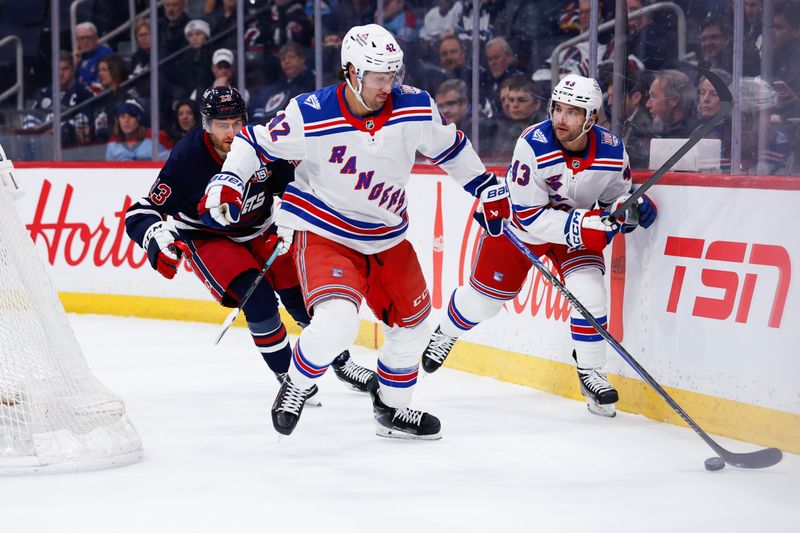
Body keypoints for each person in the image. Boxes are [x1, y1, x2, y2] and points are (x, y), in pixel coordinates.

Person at [199, 24, 505, 439]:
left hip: (388, 237)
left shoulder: (414, 107)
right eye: (379, 77)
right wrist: (228, 182)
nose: (389, 85)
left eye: (393, 75)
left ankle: (392, 410)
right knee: (338, 321)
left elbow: (451, 148)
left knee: (413, 326)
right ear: (352, 72)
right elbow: (252, 143)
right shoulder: (309, 112)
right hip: (325, 232)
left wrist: (486, 187)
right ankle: (298, 384)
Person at [421, 74, 658, 418]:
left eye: (572, 112)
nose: (560, 118)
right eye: (557, 109)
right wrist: (585, 226)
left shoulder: (611, 149)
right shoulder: (533, 143)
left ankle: (590, 371)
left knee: (590, 294)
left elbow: (613, 198)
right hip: (522, 231)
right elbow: (528, 214)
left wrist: (628, 207)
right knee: (484, 303)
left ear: (591, 118)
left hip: (573, 233)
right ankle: (447, 330)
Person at [124, 86, 375, 402]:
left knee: (300, 291)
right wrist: (154, 236)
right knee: (258, 299)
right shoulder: (188, 157)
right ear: (206, 125)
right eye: (221, 125)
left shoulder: (261, 143)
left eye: (236, 123)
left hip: (261, 228)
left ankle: (340, 360)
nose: (231, 133)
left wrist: (291, 208)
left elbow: (294, 186)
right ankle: (290, 377)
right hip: (209, 237)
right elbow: (143, 210)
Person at [106, 99, 172, 161]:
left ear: (139, 120)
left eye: (131, 116)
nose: (126, 121)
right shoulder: (113, 147)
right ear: (118, 121)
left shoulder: (153, 144)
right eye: (122, 117)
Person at [74, 21, 114, 94]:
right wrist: (74, 65)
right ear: (77, 41)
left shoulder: (105, 54)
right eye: (82, 38)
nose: (85, 41)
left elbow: (102, 87)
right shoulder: (77, 57)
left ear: (96, 38)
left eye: (89, 37)